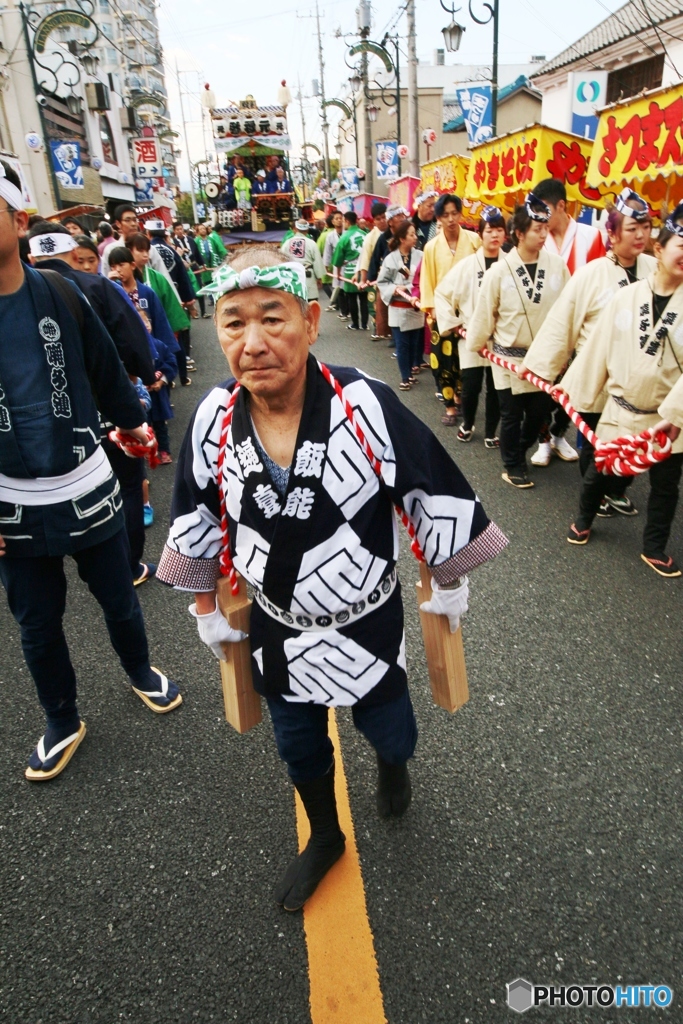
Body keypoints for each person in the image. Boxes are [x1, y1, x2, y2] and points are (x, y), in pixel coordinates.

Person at [155, 247, 508, 910]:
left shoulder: (364, 404)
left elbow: (429, 489)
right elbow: (195, 514)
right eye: (233, 323)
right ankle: (323, 834)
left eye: (272, 318)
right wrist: (206, 608)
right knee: (296, 744)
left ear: (311, 320)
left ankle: (392, 764)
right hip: (278, 624)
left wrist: (448, 582)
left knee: (390, 727)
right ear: (216, 330)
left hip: (365, 615)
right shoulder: (211, 419)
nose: (253, 342)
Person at [0, 159, 181, 781]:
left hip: (83, 480)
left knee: (118, 598)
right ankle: (61, 718)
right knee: (36, 622)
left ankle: (138, 670)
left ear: (18, 221)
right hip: (10, 500)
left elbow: (105, 366)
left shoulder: (61, 292)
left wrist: (133, 424)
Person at [561, 203, 683, 577]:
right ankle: (584, 518)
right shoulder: (626, 296)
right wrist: (575, 393)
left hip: (666, 418)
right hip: (621, 408)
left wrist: (677, 414)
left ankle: (653, 546)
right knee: (600, 469)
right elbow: (598, 347)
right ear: (659, 250)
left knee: (666, 487)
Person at [523, 187, 656, 512]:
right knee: (595, 442)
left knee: (632, 443)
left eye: (646, 227)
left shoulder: (657, 269)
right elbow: (562, 323)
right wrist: (540, 367)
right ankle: (595, 496)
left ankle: (616, 488)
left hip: (639, 380)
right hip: (597, 374)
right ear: (611, 233)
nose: (640, 235)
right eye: (632, 228)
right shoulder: (591, 275)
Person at [466, 193, 570, 488]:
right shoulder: (499, 271)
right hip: (508, 357)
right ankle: (512, 464)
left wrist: (567, 349)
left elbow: (566, 308)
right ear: (519, 233)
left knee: (539, 411)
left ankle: (520, 449)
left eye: (545, 229)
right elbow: (486, 311)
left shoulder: (557, 265)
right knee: (510, 414)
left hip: (543, 358)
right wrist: (477, 342)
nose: (543, 235)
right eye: (536, 230)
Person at [434, 206, 504, 438]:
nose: (494, 235)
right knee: (471, 386)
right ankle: (468, 424)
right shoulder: (467, 265)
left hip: (501, 339)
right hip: (471, 336)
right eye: (490, 231)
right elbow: (442, 293)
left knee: (496, 389)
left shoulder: (511, 265)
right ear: (481, 234)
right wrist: (453, 322)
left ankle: (491, 432)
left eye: (499, 231)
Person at [107, 246, 179, 470]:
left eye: (122, 264)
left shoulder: (146, 292)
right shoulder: (108, 290)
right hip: (124, 359)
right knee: (136, 410)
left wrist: (164, 355)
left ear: (132, 265)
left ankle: (160, 448)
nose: (118, 269)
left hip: (150, 356)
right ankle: (139, 446)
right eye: (114, 265)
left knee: (156, 410)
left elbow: (159, 322)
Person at [421, 194, 481, 413]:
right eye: (445, 215)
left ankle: (460, 394)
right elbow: (427, 279)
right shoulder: (431, 247)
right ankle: (449, 404)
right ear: (439, 217)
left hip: (468, 311)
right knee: (443, 359)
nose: (451, 219)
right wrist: (433, 308)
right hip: (441, 311)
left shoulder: (475, 241)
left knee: (466, 359)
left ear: (460, 214)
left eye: (455, 213)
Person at [146, 219, 195, 383]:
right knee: (176, 336)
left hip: (149, 299)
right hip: (172, 295)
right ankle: (181, 373)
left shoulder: (148, 249)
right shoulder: (171, 250)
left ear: (148, 234)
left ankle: (165, 376)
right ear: (166, 234)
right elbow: (181, 273)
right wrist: (188, 298)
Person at [377, 221, 425, 390]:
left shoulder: (421, 256)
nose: (415, 237)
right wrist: (395, 288)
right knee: (402, 344)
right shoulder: (390, 258)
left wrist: (409, 287)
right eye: (411, 234)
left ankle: (411, 371)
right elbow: (382, 282)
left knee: (414, 343)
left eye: (414, 234)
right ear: (402, 238)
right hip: (398, 307)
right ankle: (405, 376)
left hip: (414, 305)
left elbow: (425, 279)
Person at [534, 178, 606, 274]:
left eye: (543, 209)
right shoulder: (535, 239)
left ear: (561, 206)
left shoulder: (591, 235)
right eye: (537, 211)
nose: (540, 216)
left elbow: (600, 278)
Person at [101, 206, 175, 290]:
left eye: (134, 220)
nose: (133, 224)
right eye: (127, 220)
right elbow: (105, 278)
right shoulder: (110, 250)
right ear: (118, 223)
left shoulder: (148, 247)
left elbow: (164, 275)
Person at [368, 205, 408, 346]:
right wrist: (371, 278)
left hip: (406, 277)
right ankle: (393, 336)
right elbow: (375, 258)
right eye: (398, 216)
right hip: (389, 278)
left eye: (403, 215)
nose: (403, 219)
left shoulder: (408, 234)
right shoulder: (383, 238)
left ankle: (402, 338)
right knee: (390, 309)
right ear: (390, 221)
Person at [331, 211, 367, 331]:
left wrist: (338, 273)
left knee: (351, 297)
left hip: (351, 270)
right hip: (364, 269)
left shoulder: (345, 237)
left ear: (347, 221)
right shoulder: (364, 234)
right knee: (363, 297)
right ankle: (365, 323)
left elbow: (338, 259)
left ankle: (355, 323)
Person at [280, 220, 324, 301]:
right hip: (308, 275)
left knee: (296, 303)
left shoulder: (287, 243)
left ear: (295, 229)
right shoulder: (311, 243)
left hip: (292, 276)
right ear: (307, 230)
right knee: (311, 303)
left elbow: (281, 261)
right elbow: (317, 261)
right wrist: (319, 277)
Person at [323, 210, 347, 318]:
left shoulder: (348, 233)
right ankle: (343, 312)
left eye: (340, 218)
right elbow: (327, 252)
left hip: (349, 264)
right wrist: (326, 265)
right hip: (337, 265)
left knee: (349, 290)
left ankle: (349, 311)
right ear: (332, 221)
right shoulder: (330, 236)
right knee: (339, 289)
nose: (339, 221)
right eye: (336, 219)